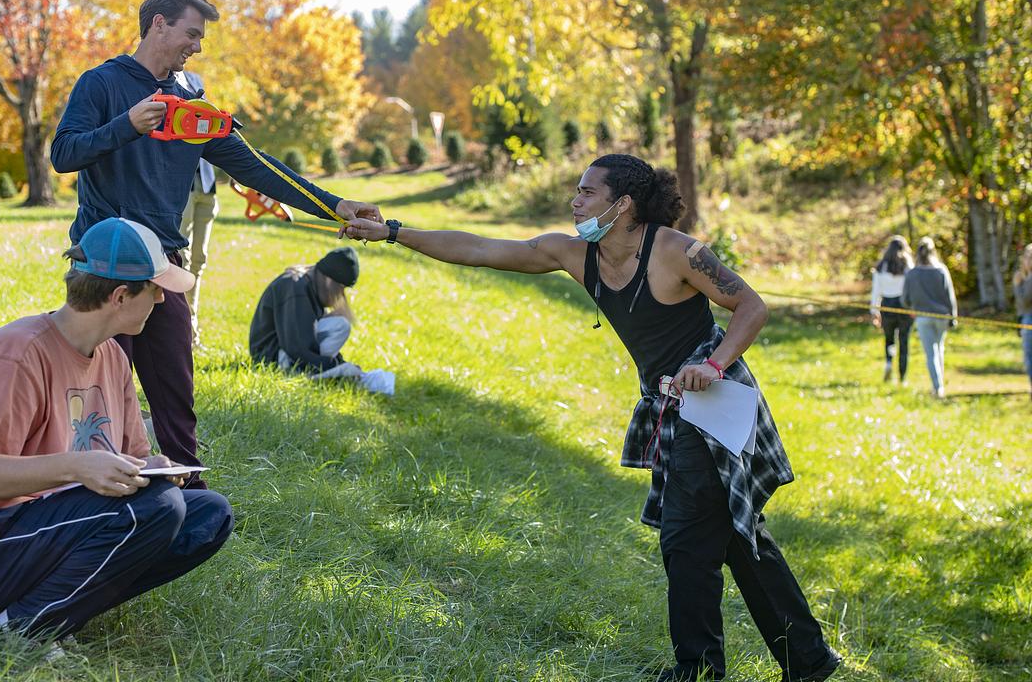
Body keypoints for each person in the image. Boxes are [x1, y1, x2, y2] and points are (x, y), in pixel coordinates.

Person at [342, 154, 840, 682]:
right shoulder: (575, 253)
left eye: (586, 192)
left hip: (716, 401)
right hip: (669, 405)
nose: (575, 201)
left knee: (686, 538)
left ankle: (697, 668)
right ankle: (809, 659)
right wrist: (391, 232)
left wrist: (712, 365)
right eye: (576, 191)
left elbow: (752, 307)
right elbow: (481, 248)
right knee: (736, 533)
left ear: (622, 204)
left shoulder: (675, 251)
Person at [51, 0, 382, 487]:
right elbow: (64, 155)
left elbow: (256, 167)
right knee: (97, 386)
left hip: (164, 264)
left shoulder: (191, 104)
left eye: (200, 38)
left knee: (175, 385)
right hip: (106, 264)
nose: (197, 46)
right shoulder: (101, 84)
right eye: (191, 33)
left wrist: (335, 205)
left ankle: (190, 485)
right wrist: (127, 125)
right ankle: (87, 487)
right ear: (157, 24)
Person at [0, 217, 234, 642]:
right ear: (121, 296)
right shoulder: (15, 353)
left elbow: (131, 460)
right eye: (155, 288)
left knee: (208, 514)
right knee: (162, 508)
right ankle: (14, 627)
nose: (162, 299)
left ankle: (55, 609)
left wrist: (152, 466)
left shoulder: (113, 358)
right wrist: (77, 466)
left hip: (56, 528)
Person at [249, 246, 362, 380]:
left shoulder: (310, 287)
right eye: (341, 288)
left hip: (285, 352)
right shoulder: (296, 289)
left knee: (339, 325)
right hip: (272, 357)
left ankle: (322, 373)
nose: (340, 294)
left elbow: (307, 339)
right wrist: (335, 367)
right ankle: (312, 374)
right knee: (340, 326)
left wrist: (340, 364)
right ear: (330, 280)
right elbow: (297, 346)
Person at [176, 70, 222, 347]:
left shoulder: (195, 79)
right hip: (183, 187)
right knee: (179, 259)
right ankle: (183, 331)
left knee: (199, 259)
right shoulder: (159, 78)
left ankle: (192, 331)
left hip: (206, 183)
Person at [901, 236, 957, 398]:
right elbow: (950, 296)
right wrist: (953, 317)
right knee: (939, 349)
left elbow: (905, 298)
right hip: (942, 317)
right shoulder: (941, 270)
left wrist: (911, 307)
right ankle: (938, 385)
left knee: (931, 353)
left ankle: (937, 387)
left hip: (923, 317)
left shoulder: (912, 274)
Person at [869, 236, 914, 384]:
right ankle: (903, 376)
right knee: (904, 341)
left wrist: (874, 311)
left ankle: (889, 362)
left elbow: (876, 291)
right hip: (904, 306)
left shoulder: (881, 267)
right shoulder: (907, 266)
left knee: (889, 339)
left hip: (887, 305)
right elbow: (912, 288)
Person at [1013, 243, 1032, 399]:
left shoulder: (1030, 279)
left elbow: (1024, 301)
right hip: (1025, 319)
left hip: (1029, 320)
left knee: (1030, 357)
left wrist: (1018, 285)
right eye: (1026, 257)